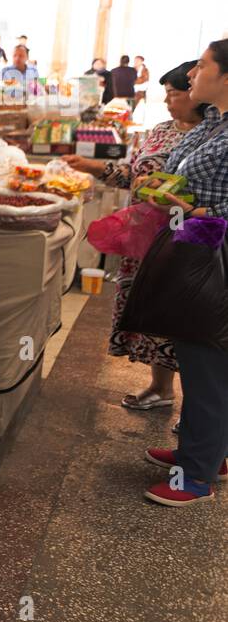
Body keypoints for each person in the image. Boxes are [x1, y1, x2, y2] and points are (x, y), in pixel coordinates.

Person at [64, 59, 202, 411]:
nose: (169, 100)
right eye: (166, 94)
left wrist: (164, 192)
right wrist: (92, 167)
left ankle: (200, 412)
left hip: (183, 239)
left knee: (183, 319)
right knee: (153, 312)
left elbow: (203, 194)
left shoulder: (209, 139)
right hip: (143, 240)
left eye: (175, 93)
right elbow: (132, 173)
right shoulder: (161, 129)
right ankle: (161, 387)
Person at [131, 40, 228, 506]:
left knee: (208, 359)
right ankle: (206, 450)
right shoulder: (212, 123)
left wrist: (188, 206)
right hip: (193, 244)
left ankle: (196, 476)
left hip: (216, 252)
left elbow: (217, 206)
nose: (192, 74)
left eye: (203, 66)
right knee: (195, 354)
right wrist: (164, 191)